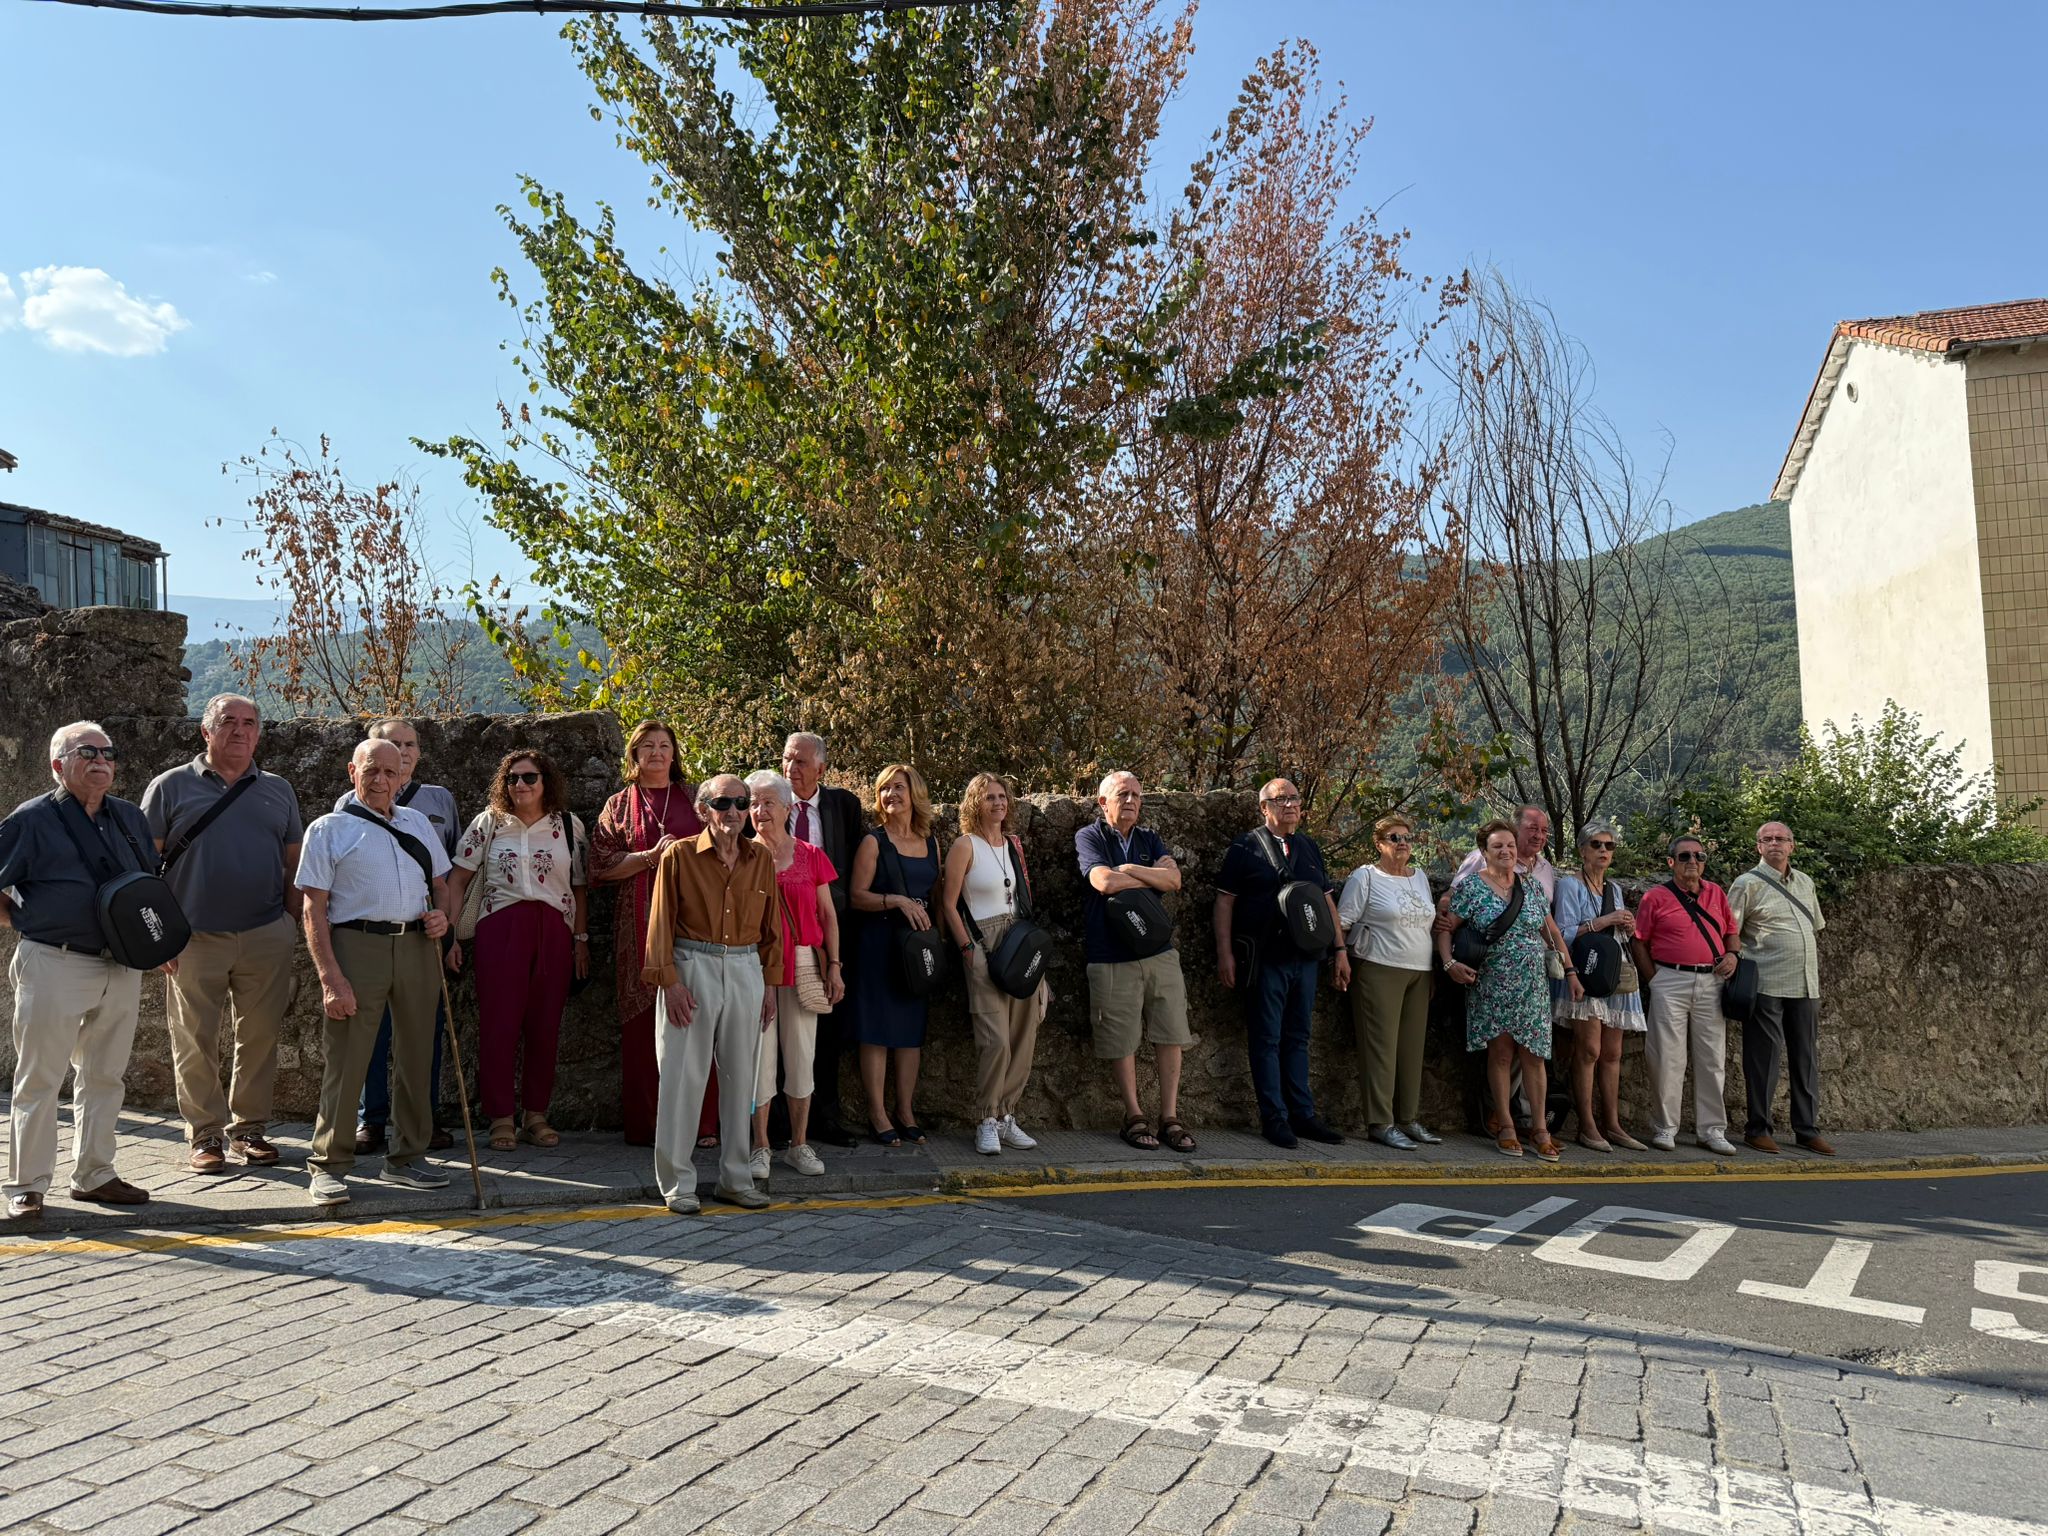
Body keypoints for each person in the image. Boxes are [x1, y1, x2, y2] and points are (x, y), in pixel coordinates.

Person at [0, 723, 162, 1219]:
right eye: (87, 752)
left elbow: (147, 883)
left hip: (120, 963)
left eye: (108, 753)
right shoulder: (31, 819)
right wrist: (26, 923)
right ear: (58, 765)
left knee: (104, 1076)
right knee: (40, 1078)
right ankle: (27, 1184)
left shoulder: (129, 817)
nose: (101, 761)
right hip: (56, 960)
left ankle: (95, 1175)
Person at [141, 692, 304, 1173]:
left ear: (259, 734)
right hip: (191, 938)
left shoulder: (278, 789)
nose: (239, 730)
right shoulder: (170, 786)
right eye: (228, 721)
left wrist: (289, 925)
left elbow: (294, 865)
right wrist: (158, 938)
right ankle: (205, 1135)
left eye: (249, 722)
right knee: (194, 1039)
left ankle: (249, 1129)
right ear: (206, 731)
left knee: (259, 1037)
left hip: (264, 933)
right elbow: (144, 869)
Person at [296, 739, 453, 1206]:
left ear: (402, 776)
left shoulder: (417, 823)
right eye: (372, 771)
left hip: (417, 945)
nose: (382, 780)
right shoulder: (328, 829)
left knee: (417, 1053)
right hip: (356, 945)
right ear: (353, 772)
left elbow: (441, 885)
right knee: (347, 1058)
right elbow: (313, 909)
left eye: (391, 771)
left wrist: (443, 917)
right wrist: (330, 978)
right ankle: (329, 1164)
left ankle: (407, 1158)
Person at [642, 773, 781, 1213]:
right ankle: (677, 1184)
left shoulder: (760, 857)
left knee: (742, 1080)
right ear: (704, 810)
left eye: (741, 803)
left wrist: (770, 985)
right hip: (691, 965)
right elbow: (660, 923)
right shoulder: (679, 855)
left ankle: (735, 1180)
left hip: (746, 968)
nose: (734, 812)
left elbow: (772, 928)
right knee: (682, 1078)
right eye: (723, 803)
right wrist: (670, 982)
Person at [444, 750, 590, 1153]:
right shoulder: (490, 822)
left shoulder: (568, 825)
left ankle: (535, 1115)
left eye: (529, 777)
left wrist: (580, 940)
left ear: (546, 781)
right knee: (499, 1024)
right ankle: (501, 1117)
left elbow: (579, 887)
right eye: (512, 778)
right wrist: (450, 936)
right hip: (501, 928)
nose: (520, 785)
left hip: (554, 931)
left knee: (545, 1025)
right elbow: (457, 881)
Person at [335, 717, 459, 1155]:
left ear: (418, 753)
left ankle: (421, 1125)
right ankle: (369, 1122)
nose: (401, 753)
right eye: (391, 744)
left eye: (409, 745)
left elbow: (448, 876)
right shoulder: (344, 809)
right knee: (368, 1037)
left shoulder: (438, 801)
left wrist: (449, 930)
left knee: (422, 1038)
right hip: (366, 939)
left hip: (421, 938)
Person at [1213, 778, 1351, 1149]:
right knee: (1266, 1039)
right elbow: (1225, 901)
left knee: (1298, 1037)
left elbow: (1326, 900)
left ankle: (1303, 1115)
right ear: (1264, 807)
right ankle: (1273, 1118)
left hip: (1306, 959)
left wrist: (1340, 950)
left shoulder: (1308, 846)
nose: (1289, 805)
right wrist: (1225, 953)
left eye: (1294, 799)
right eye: (1280, 799)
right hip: (1265, 959)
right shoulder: (1245, 847)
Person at [590, 720, 704, 1146]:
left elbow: (727, 846)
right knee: (643, 1024)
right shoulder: (619, 805)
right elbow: (600, 866)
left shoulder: (697, 797)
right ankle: (648, 1124)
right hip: (638, 922)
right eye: (647, 746)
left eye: (664, 745)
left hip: (697, 918)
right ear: (634, 755)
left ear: (674, 753)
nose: (656, 752)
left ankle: (703, 1124)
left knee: (698, 1013)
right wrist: (649, 857)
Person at [1440, 820, 1578, 1162]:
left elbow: (1551, 932)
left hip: (1532, 984)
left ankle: (1540, 1130)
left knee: (1534, 1056)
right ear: (1484, 852)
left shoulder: (1530, 887)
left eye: (1510, 846)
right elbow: (1445, 928)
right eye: (1498, 846)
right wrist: (1448, 963)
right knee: (1500, 1055)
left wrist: (1571, 971)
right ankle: (1505, 1126)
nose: (1506, 851)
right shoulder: (1471, 887)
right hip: (1492, 982)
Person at [1076, 771, 1195, 1154]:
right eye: (1123, 794)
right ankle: (1134, 1115)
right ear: (1103, 802)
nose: (1131, 801)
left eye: (1137, 796)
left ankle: (1170, 1117)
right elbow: (1103, 883)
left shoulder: (1148, 838)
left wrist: (1128, 870)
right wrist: (1152, 877)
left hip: (1158, 951)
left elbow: (1174, 881)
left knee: (1171, 1031)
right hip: (1111, 956)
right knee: (1121, 1037)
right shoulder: (1089, 837)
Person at [742, 768, 843, 1182]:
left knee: (802, 1058)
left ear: (787, 808)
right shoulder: (741, 856)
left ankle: (799, 1145)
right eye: (753, 803)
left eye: (768, 802)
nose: (759, 810)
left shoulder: (811, 854)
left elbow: (828, 916)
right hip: (755, 968)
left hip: (803, 965)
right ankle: (760, 1146)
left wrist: (834, 966)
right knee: (759, 1063)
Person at [941, 772, 1047, 1157]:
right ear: (975, 803)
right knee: (995, 1039)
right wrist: (968, 949)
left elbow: (1022, 903)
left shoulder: (1013, 845)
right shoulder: (964, 845)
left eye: (1002, 796)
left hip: (1017, 941)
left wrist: (1039, 970)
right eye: (989, 797)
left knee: (1023, 1036)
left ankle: (1006, 1115)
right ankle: (986, 1118)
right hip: (982, 941)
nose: (998, 803)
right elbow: (948, 903)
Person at [1630, 835, 1744, 1156]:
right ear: (1671, 862)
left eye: (1698, 856)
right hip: (1670, 978)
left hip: (1712, 980)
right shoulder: (1655, 897)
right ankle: (1665, 1127)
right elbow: (1639, 941)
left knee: (1712, 1058)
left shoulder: (1716, 893)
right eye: (1684, 856)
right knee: (1666, 1057)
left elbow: (1731, 932)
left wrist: (1733, 955)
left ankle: (1712, 1130)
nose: (1692, 861)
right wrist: (1654, 981)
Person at [778, 731, 866, 1148]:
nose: (791, 768)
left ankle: (825, 1119)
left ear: (821, 769)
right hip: (780, 931)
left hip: (829, 930)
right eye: (787, 759)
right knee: (778, 1028)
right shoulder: (767, 803)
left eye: (800, 762)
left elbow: (854, 863)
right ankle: (779, 1124)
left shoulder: (843, 806)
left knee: (827, 1026)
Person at [847, 763, 940, 1146]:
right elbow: (856, 896)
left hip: (916, 952)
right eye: (885, 789)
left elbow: (937, 896)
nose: (891, 795)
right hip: (878, 946)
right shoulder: (873, 842)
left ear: (914, 793)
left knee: (910, 1034)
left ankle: (905, 1111)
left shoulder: (931, 842)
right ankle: (878, 1114)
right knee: (877, 1032)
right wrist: (896, 900)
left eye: (898, 787)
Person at [1336, 813, 1440, 1150]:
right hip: (1379, 967)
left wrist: (1432, 970)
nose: (1403, 843)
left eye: (1407, 837)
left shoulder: (1420, 878)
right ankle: (1380, 1122)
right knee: (1380, 1049)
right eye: (1394, 838)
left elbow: (1428, 924)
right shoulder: (1366, 877)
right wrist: (1340, 958)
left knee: (1411, 1049)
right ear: (1379, 844)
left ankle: (1408, 1118)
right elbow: (1343, 922)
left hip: (1419, 970)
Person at [1729, 822, 1833, 1156]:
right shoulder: (1746, 884)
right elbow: (1730, 932)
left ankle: (1807, 1129)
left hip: (1805, 983)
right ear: (1758, 847)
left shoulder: (1805, 882)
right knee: (1763, 1060)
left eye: (1781, 838)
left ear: (1792, 846)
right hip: (1766, 984)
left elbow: (1814, 927)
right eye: (1768, 839)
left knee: (1806, 1059)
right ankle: (1757, 1129)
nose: (1775, 843)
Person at [1551, 822, 1646, 1153]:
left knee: (1612, 1053)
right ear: (1582, 850)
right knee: (1589, 1050)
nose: (1604, 850)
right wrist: (1605, 921)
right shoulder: (1570, 886)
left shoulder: (1613, 889)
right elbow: (1562, 933)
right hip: (1586, 972)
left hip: (1612, 972)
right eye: (1596, 844)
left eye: (1609, 846)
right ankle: (1587, 1125)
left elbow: (1619, 935)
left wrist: (1627, 925)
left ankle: (1613, 1124)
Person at [1453, 804, 1559, 902]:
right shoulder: (1480, 857)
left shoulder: (1545, 867)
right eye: (1533, 828)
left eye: (1544, 830)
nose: (1539, 836)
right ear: (1515, 829)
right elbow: (1452, 897)